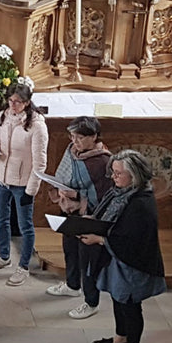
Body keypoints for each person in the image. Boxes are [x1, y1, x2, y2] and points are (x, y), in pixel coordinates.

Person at [77, 149, 166, 343]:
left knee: (130, 306)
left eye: (119, 174)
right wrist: (91, 221)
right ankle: (120, 338)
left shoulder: (140, 204)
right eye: (113, 173)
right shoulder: (121, 192)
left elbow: (131, 239)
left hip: (133, 263)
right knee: (118, 299)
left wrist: (98, 238)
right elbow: (107, 216)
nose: (114, 178)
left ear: (134, 175)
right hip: (118, 259)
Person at [45, 116, 112, 319]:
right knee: (70, 249)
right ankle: (72, 285)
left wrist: (78, 196)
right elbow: (64, 175)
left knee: (88, 261)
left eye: (80, 137)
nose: (74, 141)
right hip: (70, 210)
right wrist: (63, 191)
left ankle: (91, 302)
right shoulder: (72, 151)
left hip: (89, 215)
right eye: (72, 136)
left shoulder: (103, 160)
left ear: (94, 137)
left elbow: (104, 196)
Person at [0, 81, 48, 285]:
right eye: (10, 101)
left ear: (27, 103)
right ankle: (4, 257)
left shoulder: (37, 125)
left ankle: (23, 267)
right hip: (1, 176)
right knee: (1, 220)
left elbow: (40, 162)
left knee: (25, 225)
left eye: (18, 102)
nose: (13, 105)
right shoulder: (2, 116)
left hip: (22, 182)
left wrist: (31, 190)